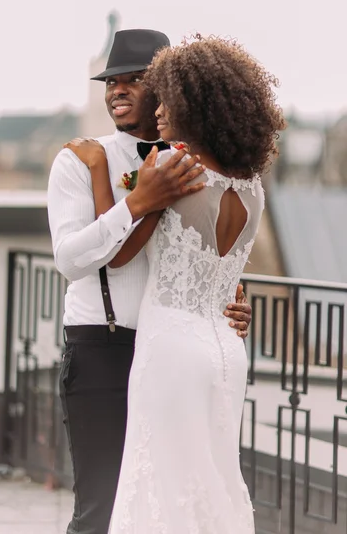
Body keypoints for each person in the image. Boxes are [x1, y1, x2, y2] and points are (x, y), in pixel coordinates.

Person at [70, 33, 286, 533]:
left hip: (170, 349)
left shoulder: (174, 166)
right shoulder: (250, 185)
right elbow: (223, 269)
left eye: (169, 99)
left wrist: (100, 167)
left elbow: (119, 249)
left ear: (197, 105)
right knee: (214, 482)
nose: (160, 110)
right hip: (227, 352)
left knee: (161, 491)